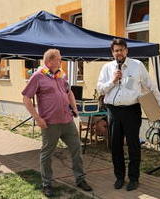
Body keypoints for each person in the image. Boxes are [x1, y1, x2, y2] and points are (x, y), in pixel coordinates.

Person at [22, 49, 92, 197]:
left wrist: (74, 108)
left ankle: (80, 179)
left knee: (77, 149)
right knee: (47, 154)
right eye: (59, 59)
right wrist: (37, 118)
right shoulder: (38, 76)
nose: (61, 62)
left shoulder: (61, 75)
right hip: (50, 124)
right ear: (49, 61)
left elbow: (69, 92)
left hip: (67, 121)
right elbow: (26, 99)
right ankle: (47, 184)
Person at [97, 38, 160, 191]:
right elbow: (100, 89)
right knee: (115, 146)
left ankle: (134, 178)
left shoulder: (137, 65)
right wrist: (113, 81)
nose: (118, 53)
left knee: (133, 146)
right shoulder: (107, 68)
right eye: (116, 50)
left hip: (132, 110)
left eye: (121, 50)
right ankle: (120, 177)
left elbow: (151, 86)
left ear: (126, 50)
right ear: (112, 52)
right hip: (113, 111)